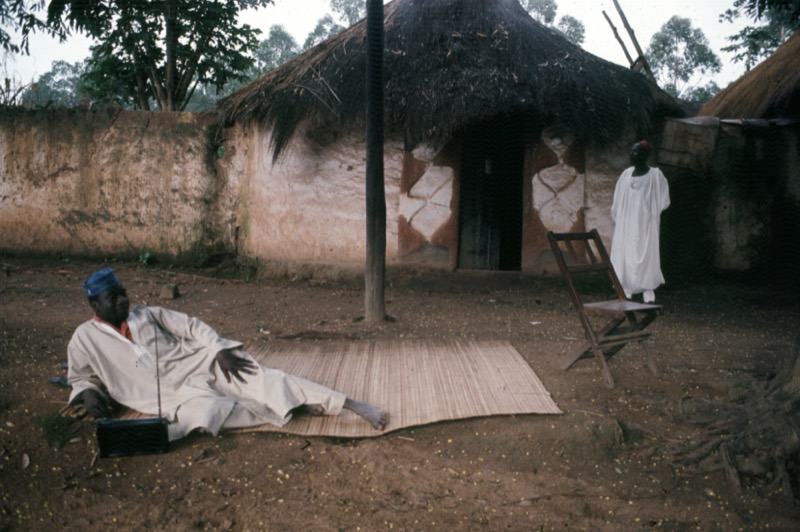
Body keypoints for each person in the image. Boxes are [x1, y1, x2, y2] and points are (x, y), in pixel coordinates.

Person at [67, 267, 386, 441]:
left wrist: (218, 349)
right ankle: (293, 408)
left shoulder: (146, 314)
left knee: (261, 377)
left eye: (123, 293)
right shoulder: (84, 338)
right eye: (113, 297)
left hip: (200, 363)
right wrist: (87, 391)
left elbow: (193, 327)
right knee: (206, 415)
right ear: (95, 306)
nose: (123, 301)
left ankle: (350, 404)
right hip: (171, 393)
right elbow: (80, 375)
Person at [610, 140, 670, 303]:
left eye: (636, 152)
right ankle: (627, 289)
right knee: (626, 253)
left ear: (645, 155)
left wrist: (648, 214)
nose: (632, 154)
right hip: (627, 224)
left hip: (646, 225)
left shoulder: (656, 176)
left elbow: (663, 200)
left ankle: (648, 292)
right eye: (631, 151)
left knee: (646, 255)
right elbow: (617, 201)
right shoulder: (625, 175)